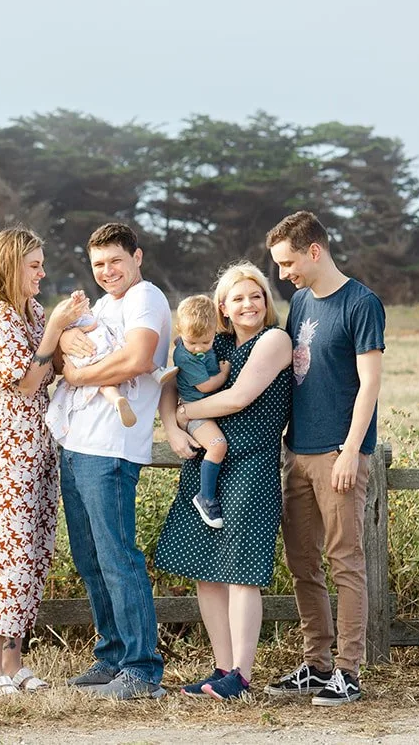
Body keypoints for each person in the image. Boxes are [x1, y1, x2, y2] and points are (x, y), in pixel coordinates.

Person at [154, 263, 293, 701]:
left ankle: (241, 676)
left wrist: (186, 414)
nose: (249, 304)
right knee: (205, 570)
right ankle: (221, 669)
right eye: (238, 298)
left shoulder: (274, 340)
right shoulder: (213, 342)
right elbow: (171, 382)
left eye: (256, 295)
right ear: (222, 307)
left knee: (241, 571)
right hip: (209, 464)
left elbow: (238, 397)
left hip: (251, 465)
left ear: (266, 301)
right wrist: (173, 428)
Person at [263, 211, 385, 707]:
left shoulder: (362, 303)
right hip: (297, 451)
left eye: (288, 262)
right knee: (302, 563)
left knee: (345, 563)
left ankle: (348, 672)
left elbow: (369, 384)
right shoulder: (300, 302)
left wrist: (351, 451)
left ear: (314, 251)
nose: (282, 274)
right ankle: (316, 665)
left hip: (338, 453)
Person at [0, 228, 86, 697]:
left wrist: (68, 329)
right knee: (12, 555)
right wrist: (55, 329)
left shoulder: (31, 311)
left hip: (39, 441)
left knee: (36, 554)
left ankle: (14, 663)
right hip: (6, 445)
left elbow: (52, 363)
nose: (42, 273)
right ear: (10, 265)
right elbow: (27, 382)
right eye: (34, 265)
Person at [53, 222, 170, 700]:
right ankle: (112, 656)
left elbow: (139, 359)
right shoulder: (102, 306)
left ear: (136, 257)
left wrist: (80, 376)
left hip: (112, 448)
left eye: (115, 260)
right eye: (98, 264)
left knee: (118, 556)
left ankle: (142, 669)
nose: (107, 271)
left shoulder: (146, 298)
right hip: (77, 442)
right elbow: (66, 353)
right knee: (90, 558)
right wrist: (64, 345)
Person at [171, 295, 232, 528]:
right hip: (195, 412)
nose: (198, 348)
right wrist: (224, 374)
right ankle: (205, 496)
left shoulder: (189, 341)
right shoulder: (185, 356)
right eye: (192, 342)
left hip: (205, 408)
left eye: (205, 342)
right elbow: (205, 386)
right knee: (217, 445)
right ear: (180, 331)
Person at [45, 310, 138, 437]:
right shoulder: (92, 312)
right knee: (106, 385)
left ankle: (117, 400)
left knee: (103, 386)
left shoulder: (75, 321)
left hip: (88, 357)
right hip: (99, 354)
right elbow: (92, 324)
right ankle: (118, 399)